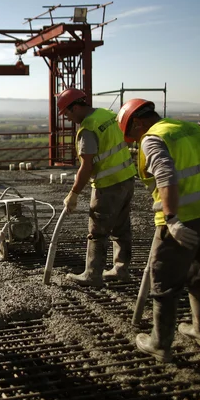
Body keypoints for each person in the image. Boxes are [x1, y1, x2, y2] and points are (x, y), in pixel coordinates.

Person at [117, 98, 200, 362]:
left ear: (138, 122)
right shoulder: (189, 128)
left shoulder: (152, 138)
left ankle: (160, 344)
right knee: (199, 274)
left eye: (131, 133)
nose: (133, 140)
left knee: (164, 281)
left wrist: (172, 218)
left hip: (181, 221)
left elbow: (166, 177)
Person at [57, 88, 137, 286]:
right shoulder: (107, 114)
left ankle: (92, 275)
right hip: (127, 178)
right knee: (121, 227)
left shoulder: (88, 128)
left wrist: (73, 193)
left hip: (107, 185)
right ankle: (121, 269)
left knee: (97, 231)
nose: (67, 118)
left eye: (67, 113)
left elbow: (87, 166)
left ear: (75, 107)